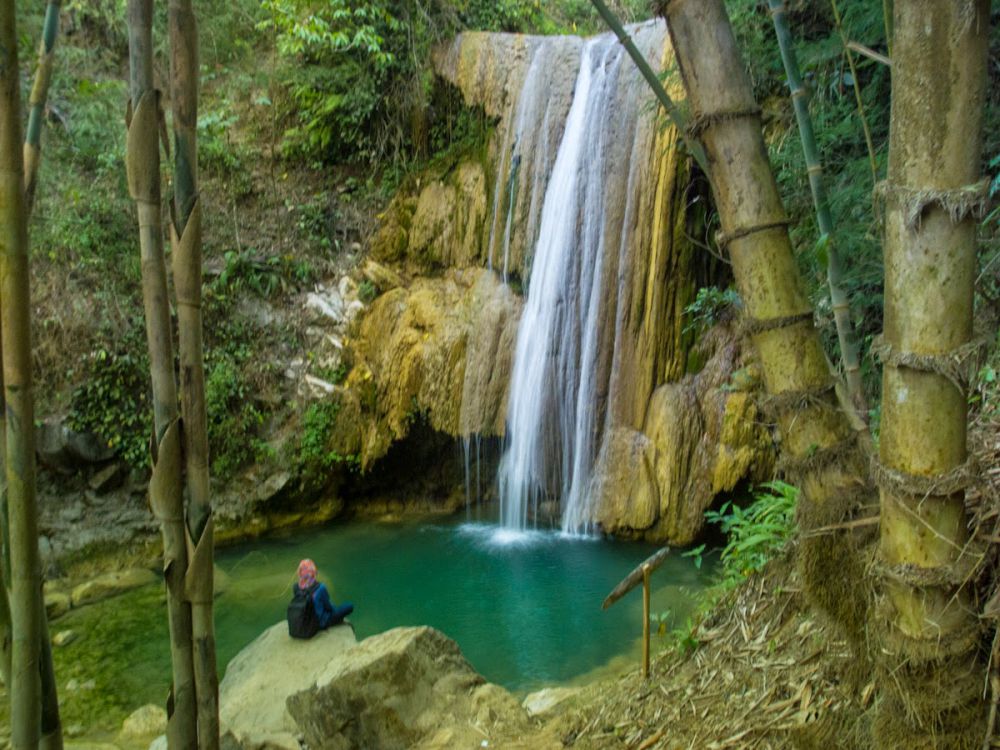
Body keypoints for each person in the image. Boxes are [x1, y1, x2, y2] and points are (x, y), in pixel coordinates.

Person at [292, 558, 354, 631]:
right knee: (349, 606)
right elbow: (328, 607)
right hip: (319, 623)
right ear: (313, 572)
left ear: (299, 572)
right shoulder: (321, 587)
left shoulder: (295, 587)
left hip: (304, 622)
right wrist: (335, 612)